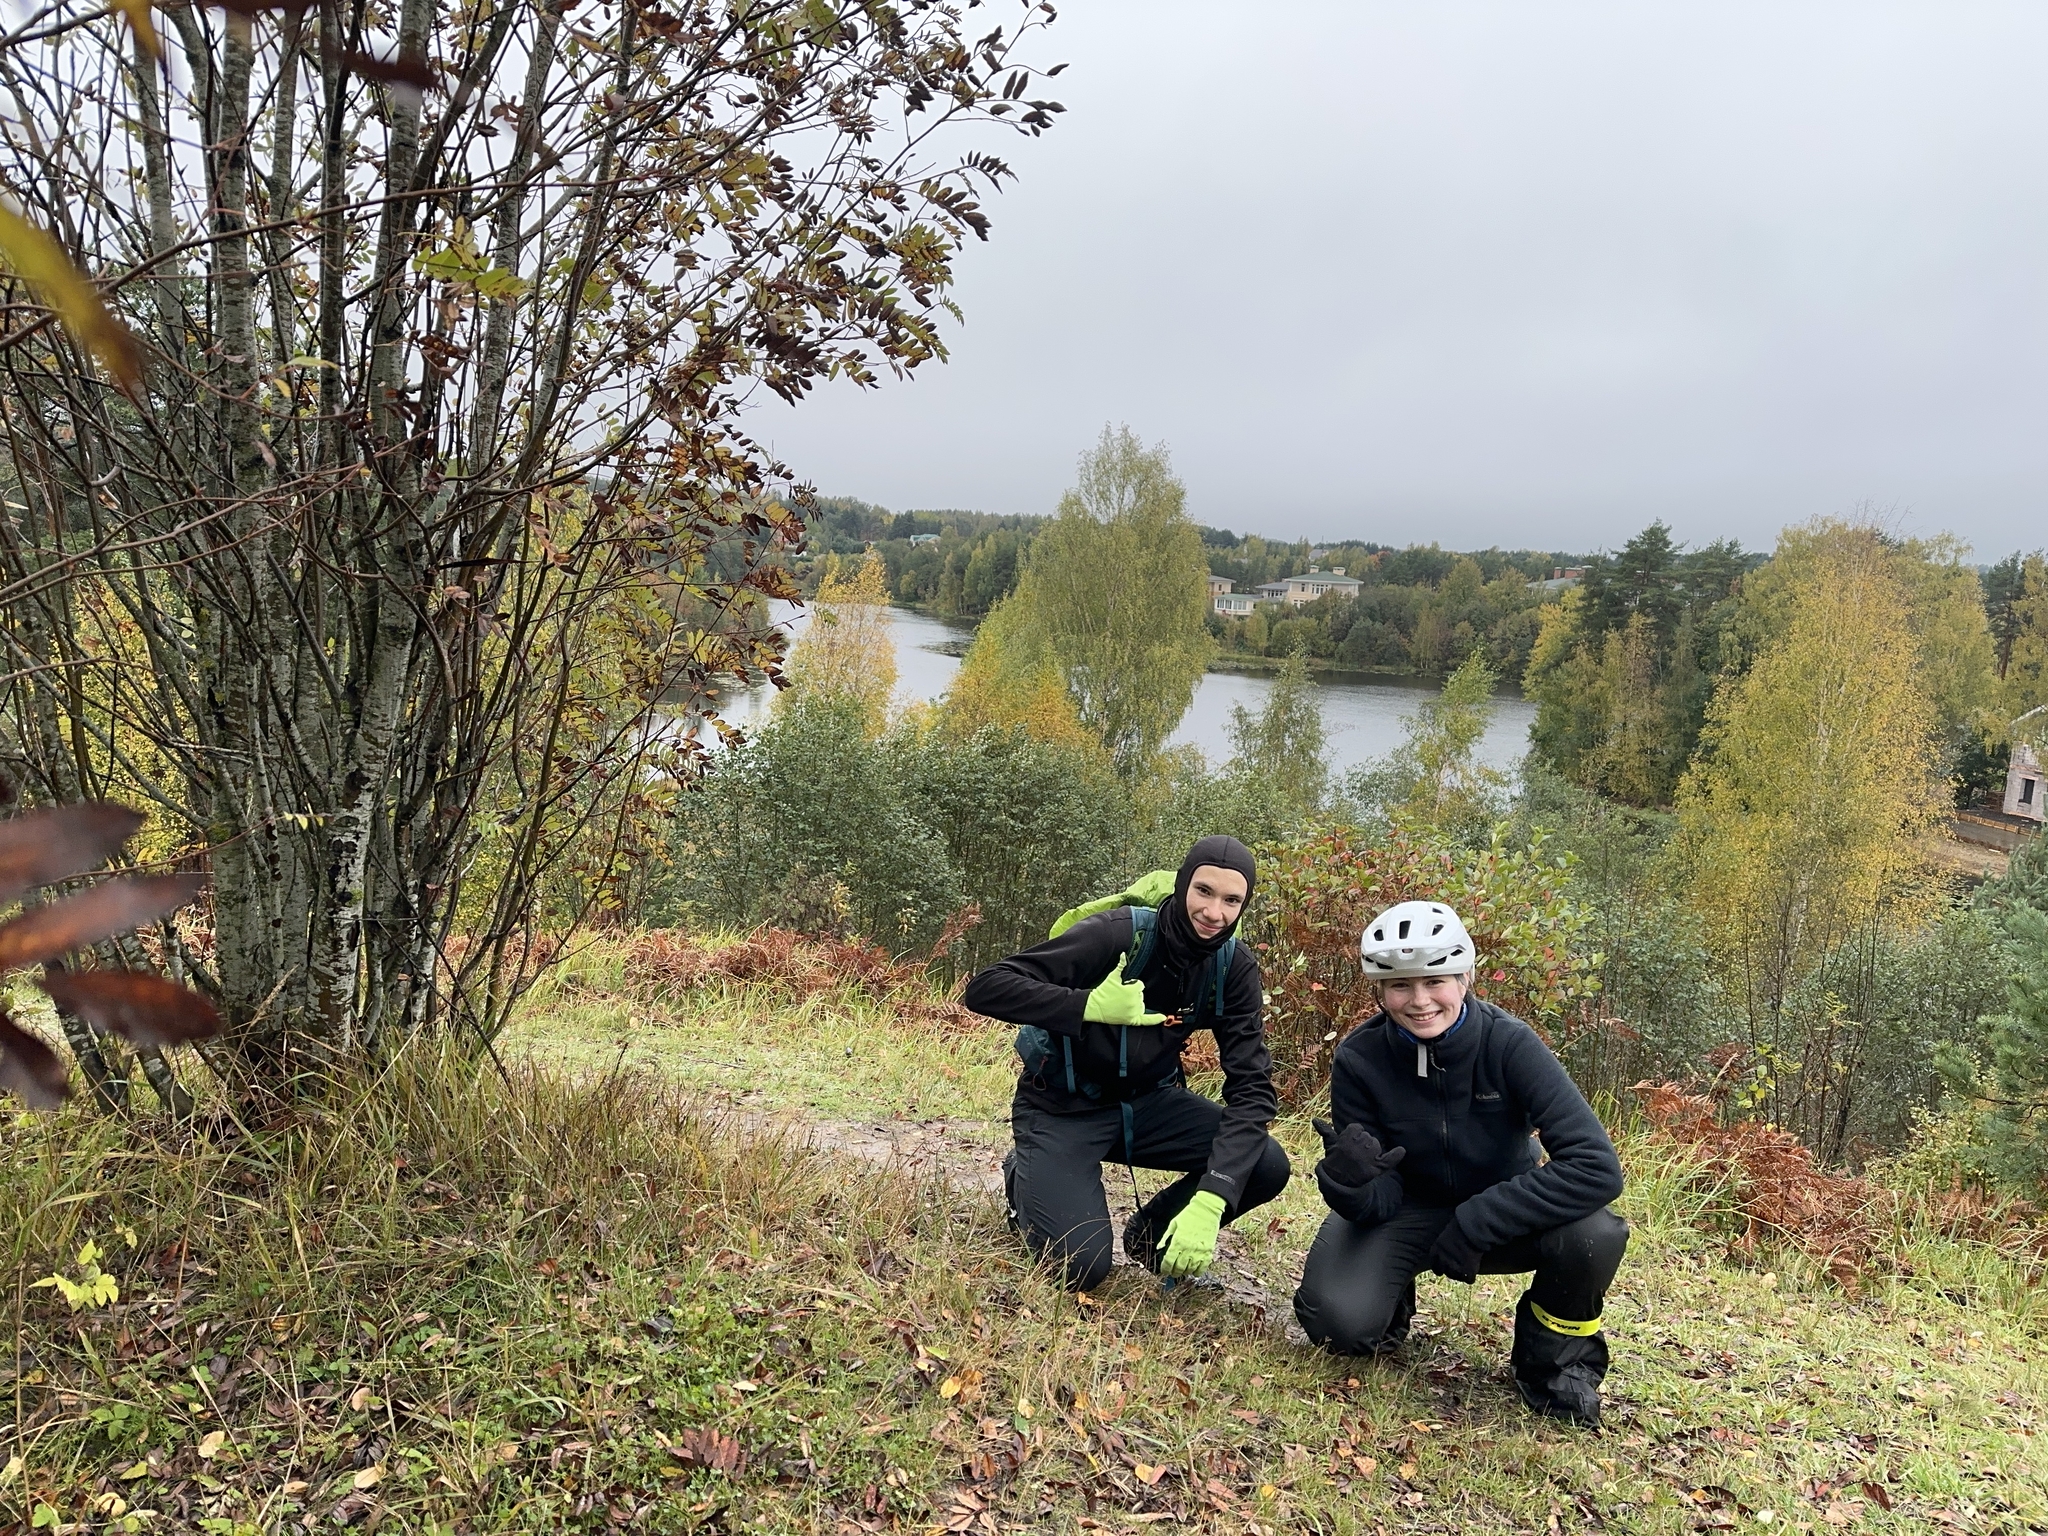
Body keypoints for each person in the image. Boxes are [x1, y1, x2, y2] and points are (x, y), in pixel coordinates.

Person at [1292, 900, 1628, 1426]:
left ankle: (1554, 1369)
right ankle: (1387, 1304)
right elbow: (1377, 1199)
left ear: (1466, 976)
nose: (1420, 1000)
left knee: (1595, 1235)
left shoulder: (1509, 1043)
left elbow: (1596, 1167)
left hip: (1504, 1214)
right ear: (1379, 991)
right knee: (1338, 1325)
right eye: (1400, 985)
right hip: (1409, 1211)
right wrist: (1348, 1183)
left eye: (1436, 981)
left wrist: (1478, 1221)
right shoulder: (1360, 1058)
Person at [961, 836, 1291, 1292]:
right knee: (1076, 1268)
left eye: (1231, 900)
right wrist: (1088, 1005)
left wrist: (1214, 1197)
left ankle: (1153, 1240)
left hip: (1149, 1106)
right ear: (1181, 886)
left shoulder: (1232, 968)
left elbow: (1252, 1089)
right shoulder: (1117, 934)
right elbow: (987, 988)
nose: (1214, 913)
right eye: (1204, 891)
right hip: (1062, 1107)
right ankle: (1026, 1172)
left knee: (1264, 1163)